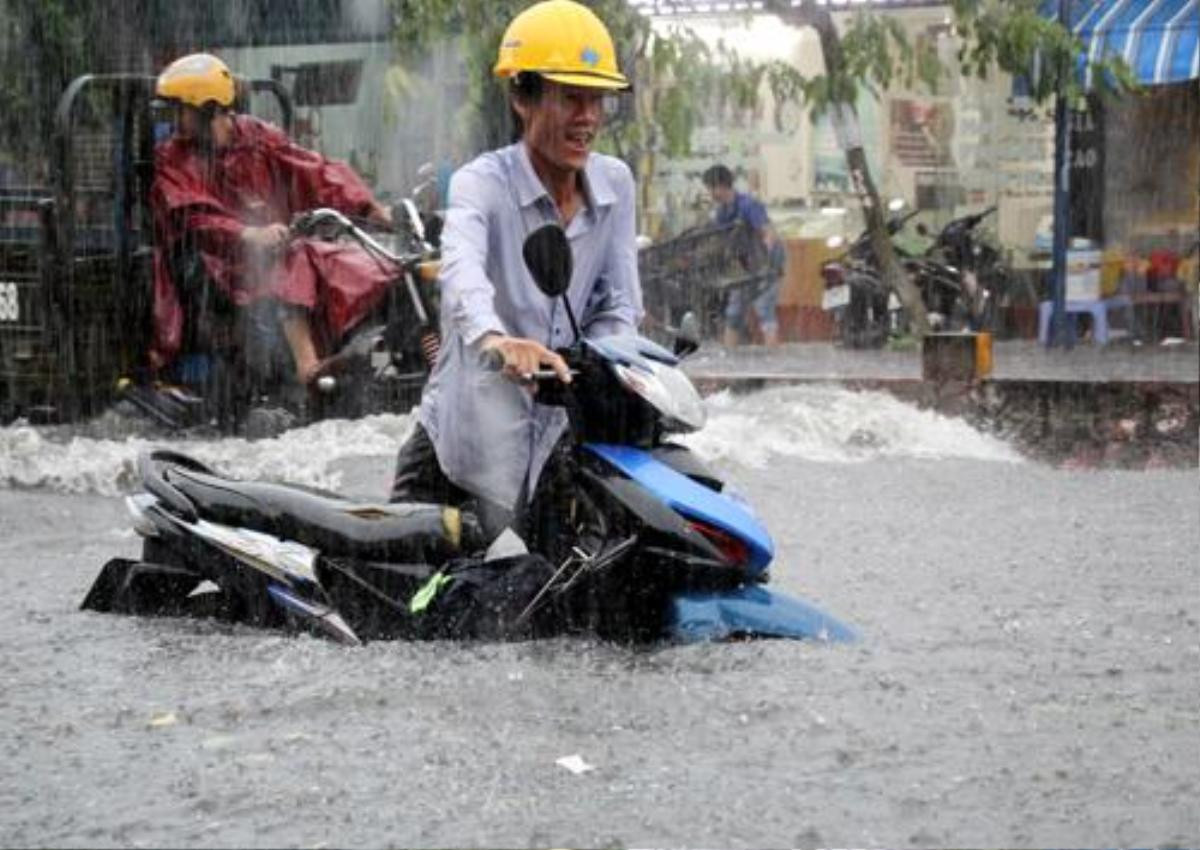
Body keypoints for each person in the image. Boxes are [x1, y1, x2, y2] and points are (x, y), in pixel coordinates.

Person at [388, 0, 642, 552]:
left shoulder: (617, 185)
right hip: (457, 457)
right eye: (571, 98)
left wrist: (600, 364)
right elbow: (461, 275)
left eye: (597, 99)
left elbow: (620, 304)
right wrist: (496, 339)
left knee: (553, 623)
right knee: (399, 618)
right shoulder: (483, 183)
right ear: (522, 98)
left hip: (552, 456)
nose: (588, 117)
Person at [148, 52, 395, 386]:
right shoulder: (172, 159)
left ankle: (377, 361)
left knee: (366, 265)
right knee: (295, 257)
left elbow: (314, 169)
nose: (176, 120)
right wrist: (248, 234)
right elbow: (193, 218)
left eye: (181, 110)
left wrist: (368, 206)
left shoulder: (256, 137)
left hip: (274, 249)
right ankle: (307, 367)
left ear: (206, 108)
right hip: (217, 264)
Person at [701, 164, 785, 348]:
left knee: (764, 309)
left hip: (766, 262)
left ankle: (774, 361)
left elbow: (769, 233)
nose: (711, 193)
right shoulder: (722, 212)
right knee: (734, 312)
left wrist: (768, 266)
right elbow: (718, 241)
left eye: (711, 188)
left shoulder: (749, 205)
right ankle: (728, 360)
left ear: (722, 186)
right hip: (744, 265)